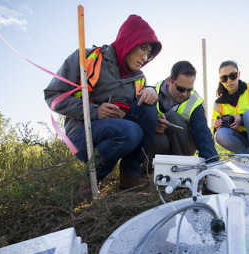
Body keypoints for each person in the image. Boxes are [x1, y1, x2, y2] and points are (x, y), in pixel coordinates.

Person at [44, 15, 162, 198]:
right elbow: (53, 96)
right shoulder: (87, 57)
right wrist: (94, 112)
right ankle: (90, 180)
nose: (145, 57)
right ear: (130, 40)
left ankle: (129, 175)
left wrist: (151, 92)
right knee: (130, 131)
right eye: (143, 48)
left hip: (120, 130)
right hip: (83, 133)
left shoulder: (140, 78)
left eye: (149, 54)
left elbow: (142, 113)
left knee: (148, 108)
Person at [146, 61, 218, 170]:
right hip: (158, 143)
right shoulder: (152, 91)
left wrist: (212, 164)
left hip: (184, 146)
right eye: (180, 88)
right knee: (158, 139)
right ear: (170, 81)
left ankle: (182, 169)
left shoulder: (195, 102)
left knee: (172, 117)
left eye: (189, 90)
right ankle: (148, 168)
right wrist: (153, 125)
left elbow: (202, 133)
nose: (184, 94)